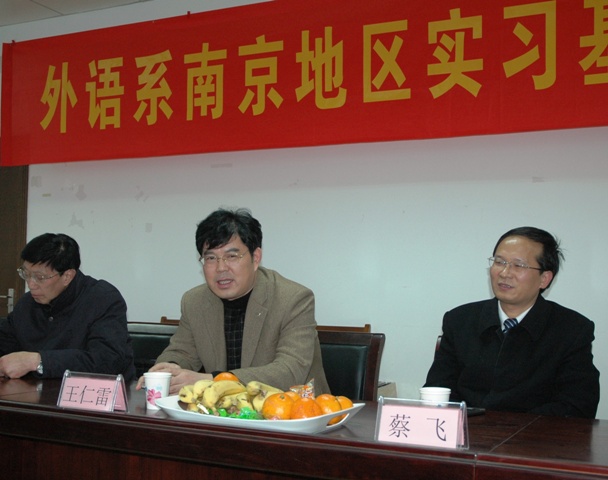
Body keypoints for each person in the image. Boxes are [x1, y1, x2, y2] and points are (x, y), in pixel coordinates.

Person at [137, 208, 330, 395]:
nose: (221, 268)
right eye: (211, 258)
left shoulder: (294, 299)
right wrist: (169, 369)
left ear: (256, 258)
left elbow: (290, 372)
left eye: (231, 256)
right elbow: (182, 352)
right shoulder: (194, 301)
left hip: (292, 409)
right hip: (222, 410)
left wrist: (212, 381)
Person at [424, 226, 600, 418]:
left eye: (519, 265)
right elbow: (438, 390)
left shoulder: (572, 330)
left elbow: (577, 405)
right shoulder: (459, 320)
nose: (505, 273)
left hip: (534, 434)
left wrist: (514, 429)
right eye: (499, 262)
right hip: (468, 430)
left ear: (544, 279)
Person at [0, 233, 136, 381]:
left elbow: (106, 360)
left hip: (95, 392)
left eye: (40, 277)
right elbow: (6, 341)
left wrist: (38, 361)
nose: (30, 284)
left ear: (67, 276)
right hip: (36, 392)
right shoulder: (27, 304)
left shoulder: (103, 299)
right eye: (26, 274)